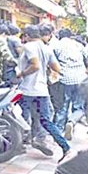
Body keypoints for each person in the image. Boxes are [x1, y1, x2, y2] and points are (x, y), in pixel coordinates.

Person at [17, 25, 70, 159]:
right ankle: (65, 147)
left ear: (27, 36)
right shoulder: (47, 49)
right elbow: (57, 68)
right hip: (42, 90)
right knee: (46, 120)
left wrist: (22, 73)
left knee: (20, 116)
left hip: (26, 89)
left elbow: (35, 65)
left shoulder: (29, 46)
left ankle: (18, 144)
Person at [53, 29, 87, 140]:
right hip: (80, 78)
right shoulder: (79, 46)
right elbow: (87, 61)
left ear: (59, 36)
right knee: (79, 107)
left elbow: (53, 63)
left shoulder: (56, 46)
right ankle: (72, 122)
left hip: (65, 79)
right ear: (71, 36)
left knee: (63, 105)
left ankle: (58, 130)